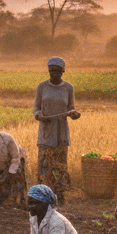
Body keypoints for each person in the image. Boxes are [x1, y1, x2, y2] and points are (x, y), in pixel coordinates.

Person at [34, 56, 80, 204]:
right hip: (46, 131)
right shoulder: (42, 87)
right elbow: (36, 108)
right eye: (52, 70)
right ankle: (43, 193)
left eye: (58, 70)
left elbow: (71, 107)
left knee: (60, 164)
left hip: (61, 131)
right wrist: (39, 115)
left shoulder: (68, 88)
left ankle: (59, 193)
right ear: (48, 71)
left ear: (63, 71)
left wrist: (74, 114)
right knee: (44, 162)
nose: (54, 73)